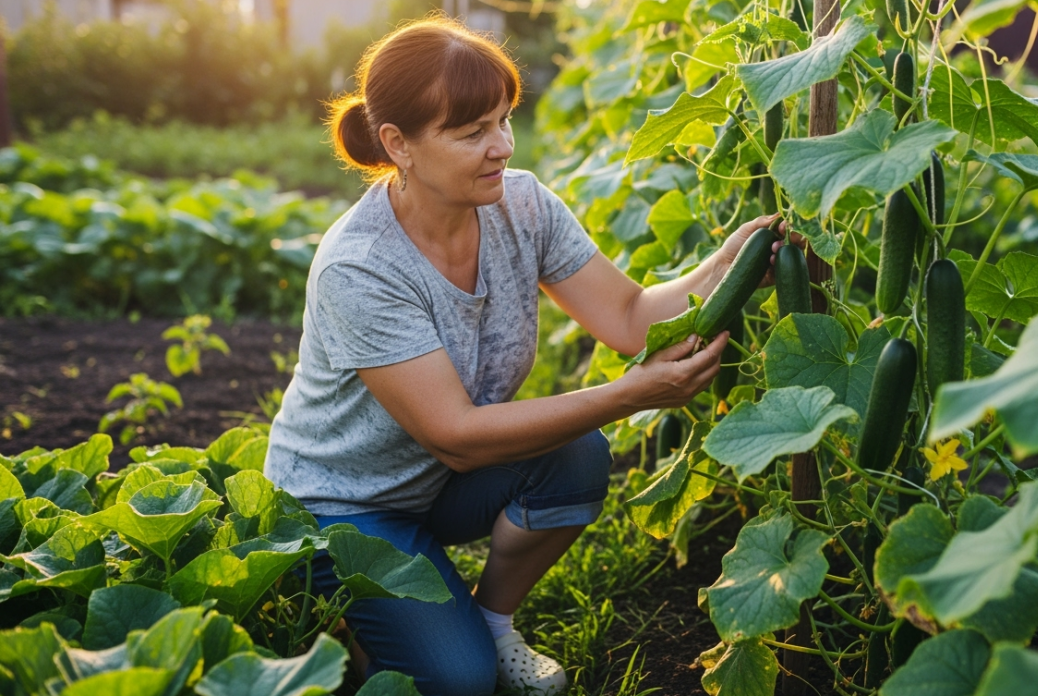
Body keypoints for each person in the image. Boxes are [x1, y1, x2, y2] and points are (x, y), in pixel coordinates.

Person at [264, 15, 786, 696]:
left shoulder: (523, 206)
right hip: (343, 507)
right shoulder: (360, 267)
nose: (502, 147)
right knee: (457, 684)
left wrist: (725, 264)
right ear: (398, 144)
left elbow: (630, 318)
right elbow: (456, 437)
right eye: (471, 132)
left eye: (504, 120)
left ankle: (490, 623)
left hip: (432, 486)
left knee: (576, 455)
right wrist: (629, 395)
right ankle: (348, 617)